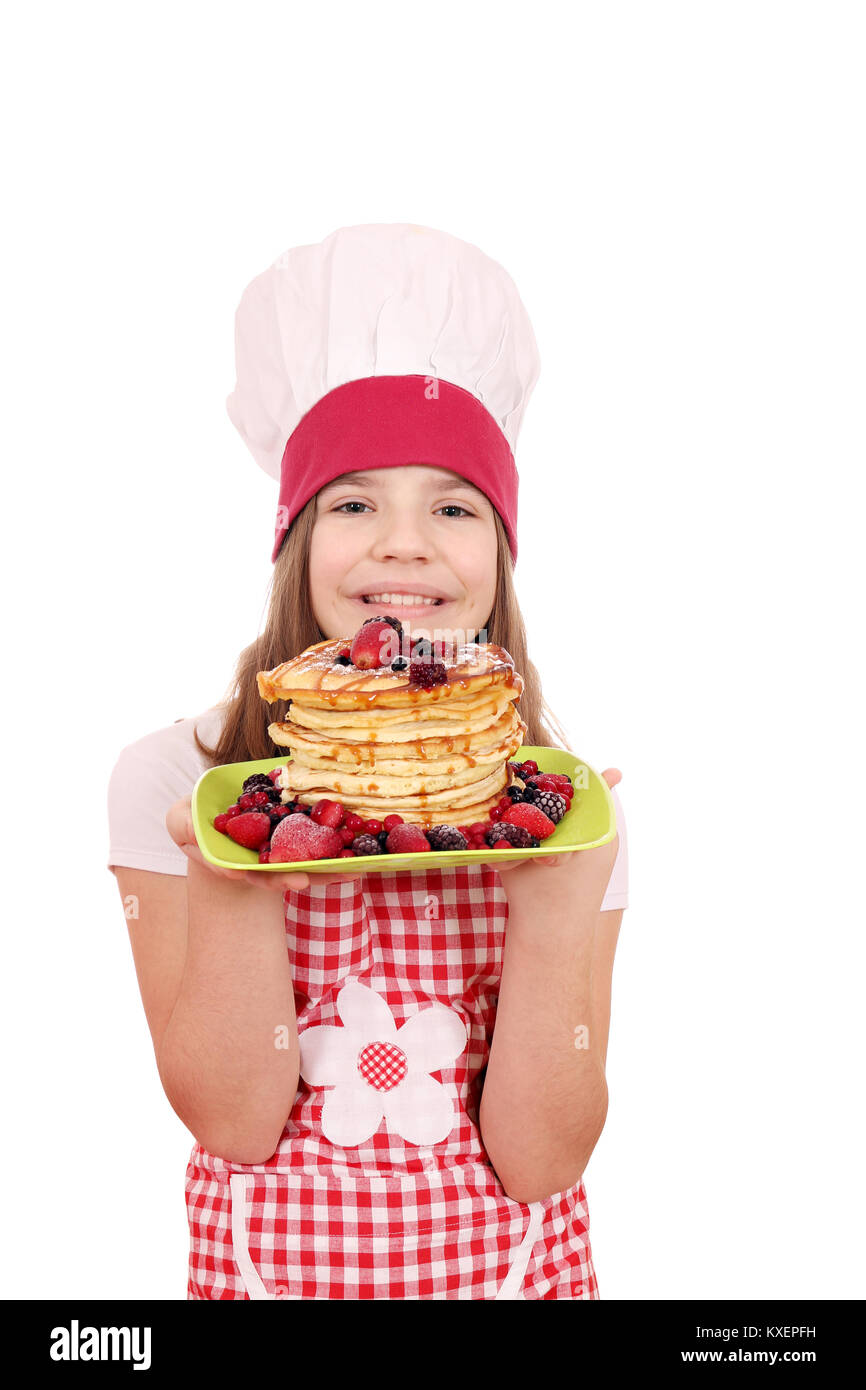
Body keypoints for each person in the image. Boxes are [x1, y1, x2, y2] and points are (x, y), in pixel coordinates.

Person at [107, 223, 629, 1300]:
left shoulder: (560, 805)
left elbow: (545, 1159)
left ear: (499, 555)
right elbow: (235, 1122)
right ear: (295, 541)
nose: (403, 542)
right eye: (352, 503)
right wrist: (235, 866)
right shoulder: (182, 780)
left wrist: (552, 909)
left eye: (452, 505)